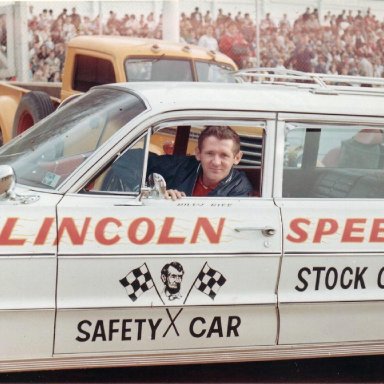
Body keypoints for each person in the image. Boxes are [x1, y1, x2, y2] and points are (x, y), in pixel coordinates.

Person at [147, 125, 253, 199]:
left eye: (224, 155)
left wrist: (173, 205)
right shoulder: (180, 166)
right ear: (198, 153)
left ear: (237, 158)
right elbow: (136, 161)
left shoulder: (240, 189)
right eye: (210, 153)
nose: (216, 162)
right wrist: (157, 194)